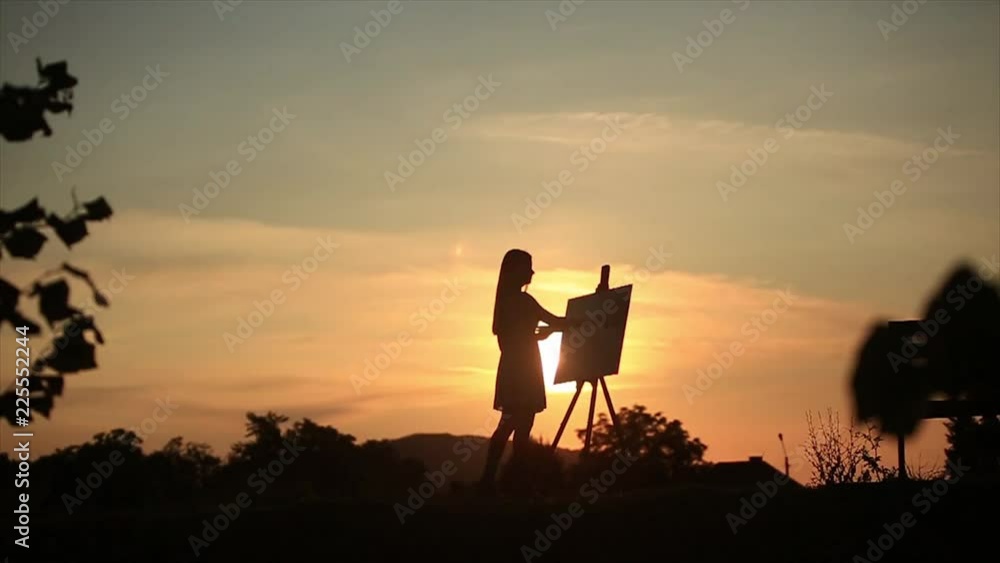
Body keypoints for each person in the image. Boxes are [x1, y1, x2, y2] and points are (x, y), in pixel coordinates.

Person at [478, 249, 571, 492]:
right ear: (515, 270)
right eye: (528, 266)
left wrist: (541, 336)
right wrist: (590, 317)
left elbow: (515, 339)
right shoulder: (522, 301)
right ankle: (509, 481)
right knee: (520, 425)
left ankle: (498, 479)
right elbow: (557, 321)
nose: (532, 271)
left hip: (512, 366)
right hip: (525, 369)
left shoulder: (505, 303)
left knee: (510, 423)